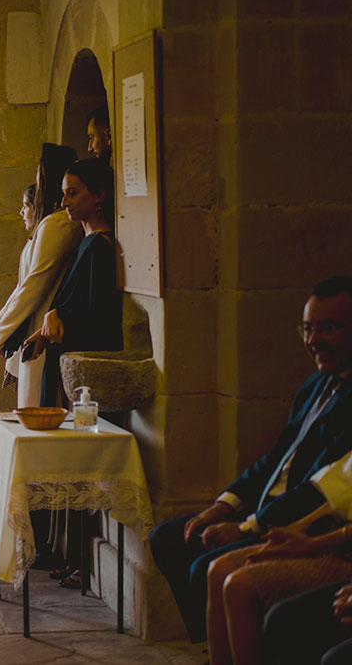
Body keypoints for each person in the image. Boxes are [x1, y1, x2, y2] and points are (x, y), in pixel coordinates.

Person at [149, 275, 352, 642]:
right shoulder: (315, 384)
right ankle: (219, 643)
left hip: (300, 525)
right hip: (263, 510)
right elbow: (275, 458)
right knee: (166, 538)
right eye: (307, 329)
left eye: (328, 329)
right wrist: (223, 506)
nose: (313, 341)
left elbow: (316, 493)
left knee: (204, 566)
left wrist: (245, 529)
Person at [205, 446, 352, 665]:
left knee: (239, 584)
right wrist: (296, 530)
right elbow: (338, 489)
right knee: (219, 569)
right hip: (331, 534)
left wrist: (312, 543)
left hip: (342, 551)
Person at [23, 157, 122, 407]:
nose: (64, 202)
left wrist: (56, 319)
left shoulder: (100, 246)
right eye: (63, 194)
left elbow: (97, 318)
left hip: (87, 376)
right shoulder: (85, 242)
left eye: (73, 193)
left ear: (99, 195)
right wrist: (45, 330)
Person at [0, 176, 82, 407]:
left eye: (26, 205)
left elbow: (35, 284)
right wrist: (1, 325)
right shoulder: (43, 230)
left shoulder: (57, 225)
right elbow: (23, 285)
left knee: (38, 405)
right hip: (33, 330)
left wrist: (2, 330)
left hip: (43, 329)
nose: (21, 212)